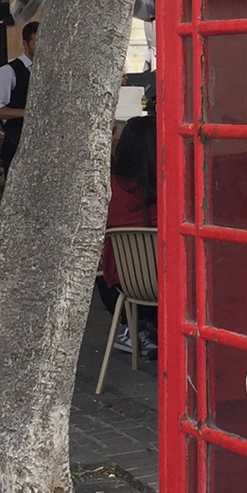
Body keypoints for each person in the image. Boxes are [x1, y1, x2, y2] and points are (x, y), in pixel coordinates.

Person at [98, 115, 158, 357]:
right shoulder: (174, 189)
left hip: (123, 287)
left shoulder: (108, 189)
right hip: (172, 285)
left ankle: (131, 328)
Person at [0, 19, 39, 171]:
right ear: (25, 44)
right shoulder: (8, 72)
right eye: (37, 42)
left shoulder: (51, 72)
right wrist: (27, 113)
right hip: (17, 143)